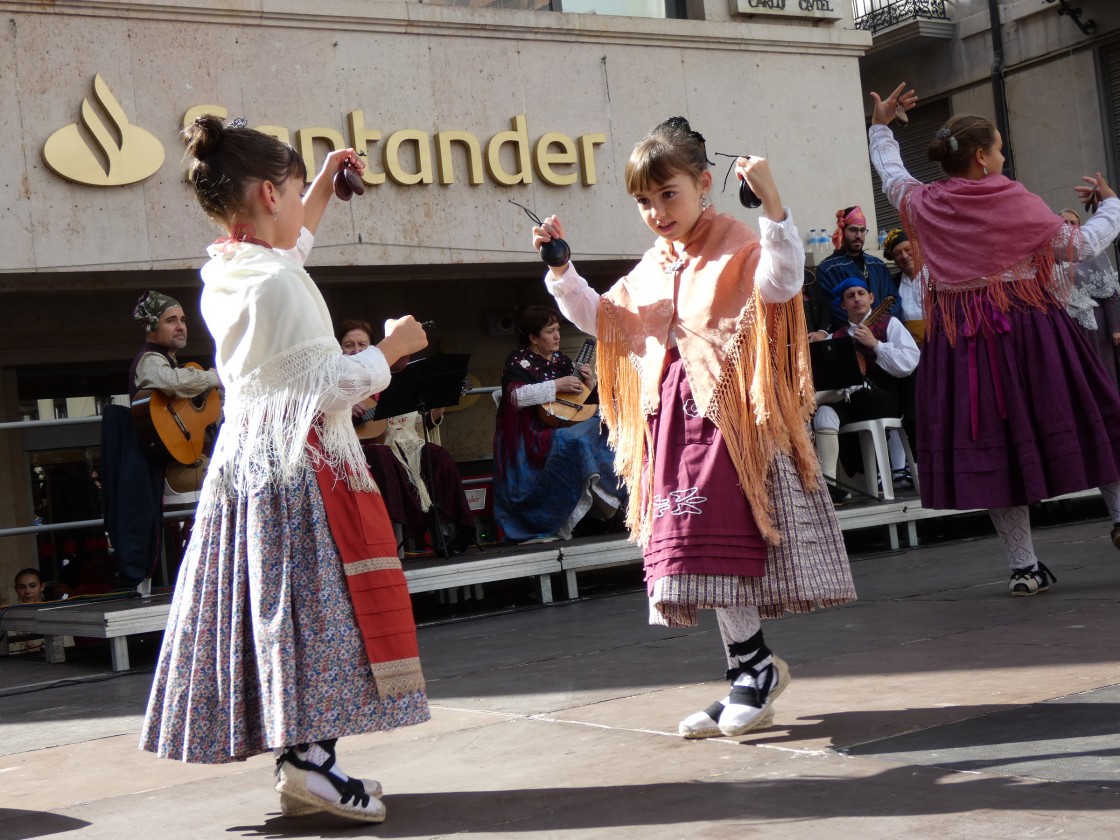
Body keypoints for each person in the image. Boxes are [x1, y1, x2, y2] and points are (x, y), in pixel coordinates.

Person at [140, 115, 430, 824]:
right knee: (318, 616)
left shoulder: (227, 271)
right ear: (270, 193)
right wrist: (394, 350)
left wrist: (323, 184)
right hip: (300, 469)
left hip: (245, 467)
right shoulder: (280, 284)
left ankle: (305, 761)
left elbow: (290, 249)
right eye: (297, 192)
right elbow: (331, 383)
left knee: (281, 618)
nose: (303, 208)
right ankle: (311, 765)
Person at [532, 116, 854, 739]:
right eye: (644, 201)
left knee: (718, 545)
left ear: (705, 183)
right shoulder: (654, 265)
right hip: (673, 423)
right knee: (695, 550)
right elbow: (603, 320)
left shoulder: (737, 241)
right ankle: (748, 669)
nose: (656, 211)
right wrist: (562, 269)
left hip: (732, 422)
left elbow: (783, 285)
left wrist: (775, 206)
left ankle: (751, 670)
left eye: (667, 194)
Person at [869, 83, 1120, 596]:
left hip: (965, 342)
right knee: (1089, 417)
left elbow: (892, 176)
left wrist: (881, 127)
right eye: (1001, 148)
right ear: (982, 158)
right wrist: (1112, 206)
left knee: (995, 446)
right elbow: (1082, 243)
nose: (1004, 156)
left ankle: (1023, 567)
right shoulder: (1013, 200)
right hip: (1032, 329)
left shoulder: (922, 205)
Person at [103, 292, 223, 591]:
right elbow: (170, 383)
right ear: (151, 328)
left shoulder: (167, 361)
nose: (181, 326)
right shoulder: (149, 361)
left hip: (168, 465)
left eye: (182, 320)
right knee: (232, 475)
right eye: (171, 320)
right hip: (160, 469)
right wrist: (213, 377)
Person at [340, 319, 477, 556]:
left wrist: (437, 405)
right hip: (355, 453)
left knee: (436, 455)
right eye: (349, 345)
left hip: (401, 444)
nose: (356, 350)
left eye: (362, 345)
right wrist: (345, 411)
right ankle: (403, 526)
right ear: (339, 349)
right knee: (382, 455)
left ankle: (449, 530)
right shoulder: (336, 381)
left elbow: (412, 423)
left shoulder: (387, 382)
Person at [493, 305, 623, 544]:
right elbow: (514, 397)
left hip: (563, 423)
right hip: (530, 431)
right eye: (549, 331)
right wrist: (556, 385)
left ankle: (615, 501)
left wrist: (589, 383)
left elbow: (578, 402)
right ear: (533, 338)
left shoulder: (561, 360)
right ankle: (595, 508)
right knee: (575, 440)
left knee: (605, 426)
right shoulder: (518, 360)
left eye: (557, 330)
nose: (557, 336)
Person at [811, 278, 920, 502]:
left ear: (871, 298)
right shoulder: (836, 337)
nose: (857, 299)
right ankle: (830, 487)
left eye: (861, 293)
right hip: (851, 403)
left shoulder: (890, 324)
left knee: (856, 382)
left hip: (885, 400)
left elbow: (909, 363)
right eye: (850, 296)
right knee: (824, 414)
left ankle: (809, 402)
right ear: (842, 305)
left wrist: (876, 345)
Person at [811, 205, 902, 332]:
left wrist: (882, 327)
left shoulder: (878, 265)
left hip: (885, 334)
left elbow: (894, 299)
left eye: (862, 230)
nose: (859, 235)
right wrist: (863, 328)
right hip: (851, 339)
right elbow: (832, 308)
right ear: (842, 231)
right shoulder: (827, 268)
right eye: (853, 230)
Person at [1059, 208, 1120, 388]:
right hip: (1067, 329)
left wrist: (1116, 328)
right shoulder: (1051, 256)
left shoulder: (1093, 254)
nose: (1069, 226)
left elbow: (1110, 294)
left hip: (1095, 326)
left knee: (1104, 375)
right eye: (1064, 222)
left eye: (1073, 222)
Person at [883, 227, 926, 343]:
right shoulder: (894, 283)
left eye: (908, 249)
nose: (905, 256)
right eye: (897, 253)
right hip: (909, 347)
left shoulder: (935, 278)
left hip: (938, 344)